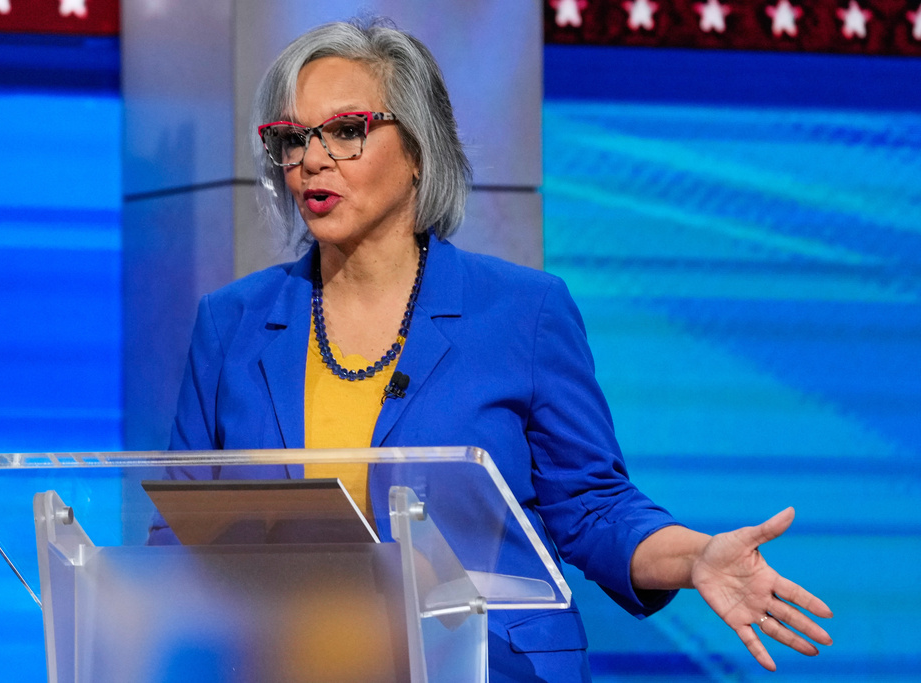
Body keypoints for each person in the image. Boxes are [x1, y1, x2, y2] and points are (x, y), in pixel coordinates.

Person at [165, 17, 833, 682]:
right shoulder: (233, 323)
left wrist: (696, 557)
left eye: (346, 131)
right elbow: (178, 534)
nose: (312, 159)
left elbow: (594, 507)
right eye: (291, 138)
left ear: (420, 148)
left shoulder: (523, 313)